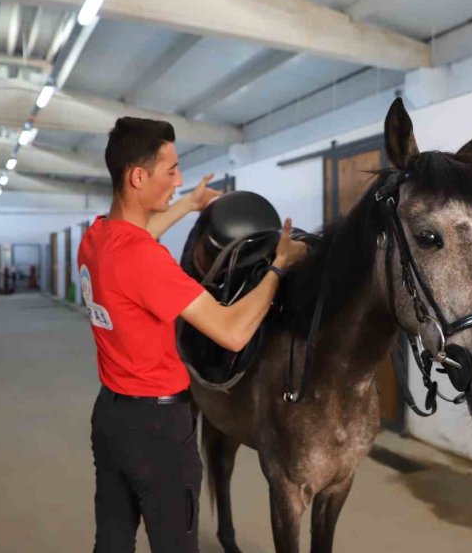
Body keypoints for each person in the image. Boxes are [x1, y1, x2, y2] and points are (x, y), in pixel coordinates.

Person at [78, 117, 308, 553]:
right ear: (138, 176)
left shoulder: (95, 240)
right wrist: (279, 265)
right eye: (171, 171)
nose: (178, 179)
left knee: (111, 539)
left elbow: (136, 236)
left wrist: (189, 204)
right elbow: (233, 331)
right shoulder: (147, 261)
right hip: (158, 432)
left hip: (110, 417)